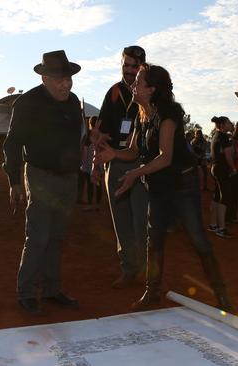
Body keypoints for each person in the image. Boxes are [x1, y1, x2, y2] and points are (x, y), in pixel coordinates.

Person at [95, 64, 233, 312]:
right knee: (154, 241)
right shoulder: (141, 114)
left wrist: (135, 173)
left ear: (151, 89)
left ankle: (222, 296)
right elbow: (135, 151)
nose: (133, 85)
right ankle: (152, 293)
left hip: (182, 186)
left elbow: (165, 157)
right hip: (158, 187)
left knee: (198, 239)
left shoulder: (169, 113)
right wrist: (113, 153)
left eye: (138, 81)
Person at [3, 50, 83, 314]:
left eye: (68, 78)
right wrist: (14, 181)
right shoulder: (27, 104)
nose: (66, 84)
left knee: (57, 237)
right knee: (38, 236)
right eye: (60, 79)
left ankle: (51, 289)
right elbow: (12, 144)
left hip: (68, 179)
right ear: (45, 78)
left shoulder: (72, 103)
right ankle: (26, 292)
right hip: (40, 176)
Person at [94, 45, 148, 289]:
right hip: (114, 161)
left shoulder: (150, 92)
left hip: (141, 163)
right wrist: (97, 156)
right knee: (121, 221)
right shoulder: (114, 92)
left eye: (134, 67)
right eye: (125, 65)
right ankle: (128, 269)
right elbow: (102, 132)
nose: (128, 70)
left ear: (142, 67)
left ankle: (149, 272)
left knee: (142, 220)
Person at [207, 116, 236, 238]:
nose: (231, 124)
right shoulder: (224, 137)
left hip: (215, 168)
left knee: (217, 196)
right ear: (223, 125)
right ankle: (221, 228)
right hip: (222, 169)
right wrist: (233, 168)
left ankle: (213, 224)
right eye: (229, 123)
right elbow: (228, 155)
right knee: (224, 198)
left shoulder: (216, 136)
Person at [80, 116, 103, 211]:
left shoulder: (88, 136)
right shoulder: (101, 135)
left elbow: (85, 152)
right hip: (99, 163)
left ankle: (90, 203)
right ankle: (98, 204)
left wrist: (83, 163)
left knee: (90, 184)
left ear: (90, 124)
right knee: (98, 183)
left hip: (88, 165)